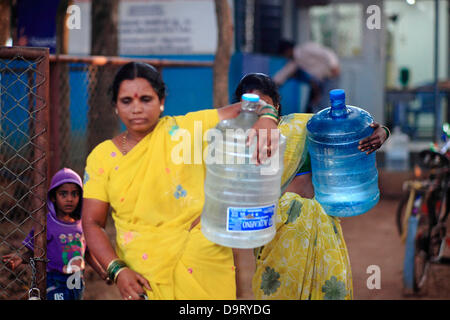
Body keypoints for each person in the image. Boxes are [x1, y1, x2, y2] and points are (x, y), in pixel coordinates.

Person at [81, 62, 279, 300]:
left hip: (202, 261)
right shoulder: (102, 157)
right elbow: (92, 222)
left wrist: (268, 118)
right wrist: (117, 269)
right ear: (115, 106)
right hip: (142, 272)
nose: (136, 108)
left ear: (161, 101)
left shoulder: (185, 130)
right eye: (126, 101)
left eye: (146, 99)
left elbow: (254, 104)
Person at [233, 73, 389, 300]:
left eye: (264, 106)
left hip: (321, 225)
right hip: (278, 238)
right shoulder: (239, 145)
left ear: (276, 105)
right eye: (249, 107)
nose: (258, 114)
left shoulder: (304, 126)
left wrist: (382, 131)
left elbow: (348, 130)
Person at [2, 168, 107, 300]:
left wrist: (102, 273)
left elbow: (86, 253)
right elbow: (36, 252)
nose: (69, 199)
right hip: (56, 281)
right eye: (63, 194)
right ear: (53, 197)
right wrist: (21, 258)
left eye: (74, 194)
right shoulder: (46, 225)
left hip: (77, 280)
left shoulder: (82, 224)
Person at [274, 40, 340, 114]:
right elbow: (284, 73)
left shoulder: (306, 49)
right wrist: (273, 84)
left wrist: (334, 65)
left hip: (330, 76)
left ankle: (327, 122)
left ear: (287, 51)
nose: (285, 57)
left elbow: (327, 52)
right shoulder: (295, 61)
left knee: (325, 104)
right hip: (318, 81)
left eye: (284, 55)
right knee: (314, 105)